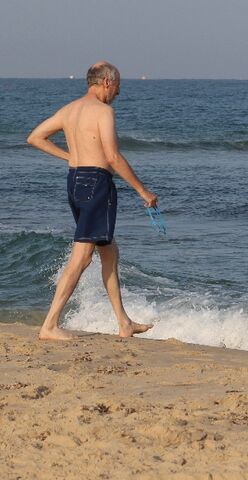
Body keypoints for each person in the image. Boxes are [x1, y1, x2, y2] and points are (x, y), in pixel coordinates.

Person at [27, 61, 158, 341]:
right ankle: (49, 325)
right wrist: (142, 191)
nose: (117, 95)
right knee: (82, 257)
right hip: (97, 185)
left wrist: (71, 158)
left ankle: (124, 323)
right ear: (107, 83)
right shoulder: (103, 111)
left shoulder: (70, 109)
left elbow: (35, 137)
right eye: (118, 88)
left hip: (75, 182)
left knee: (108, 251)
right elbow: (112, 157)